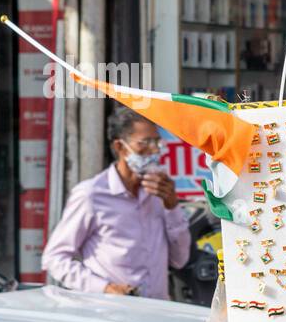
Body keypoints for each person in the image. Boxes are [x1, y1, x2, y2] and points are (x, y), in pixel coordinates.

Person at [43, 104, 191, 298]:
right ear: (120, 147)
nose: (154, 151)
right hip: (111, 313)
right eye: (145, 143)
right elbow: (55, 258)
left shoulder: (159, 193)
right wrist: (104, 288)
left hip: (158, 310)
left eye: (157, 143)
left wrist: (172, 207)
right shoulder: (91, 195)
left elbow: (180, 260)